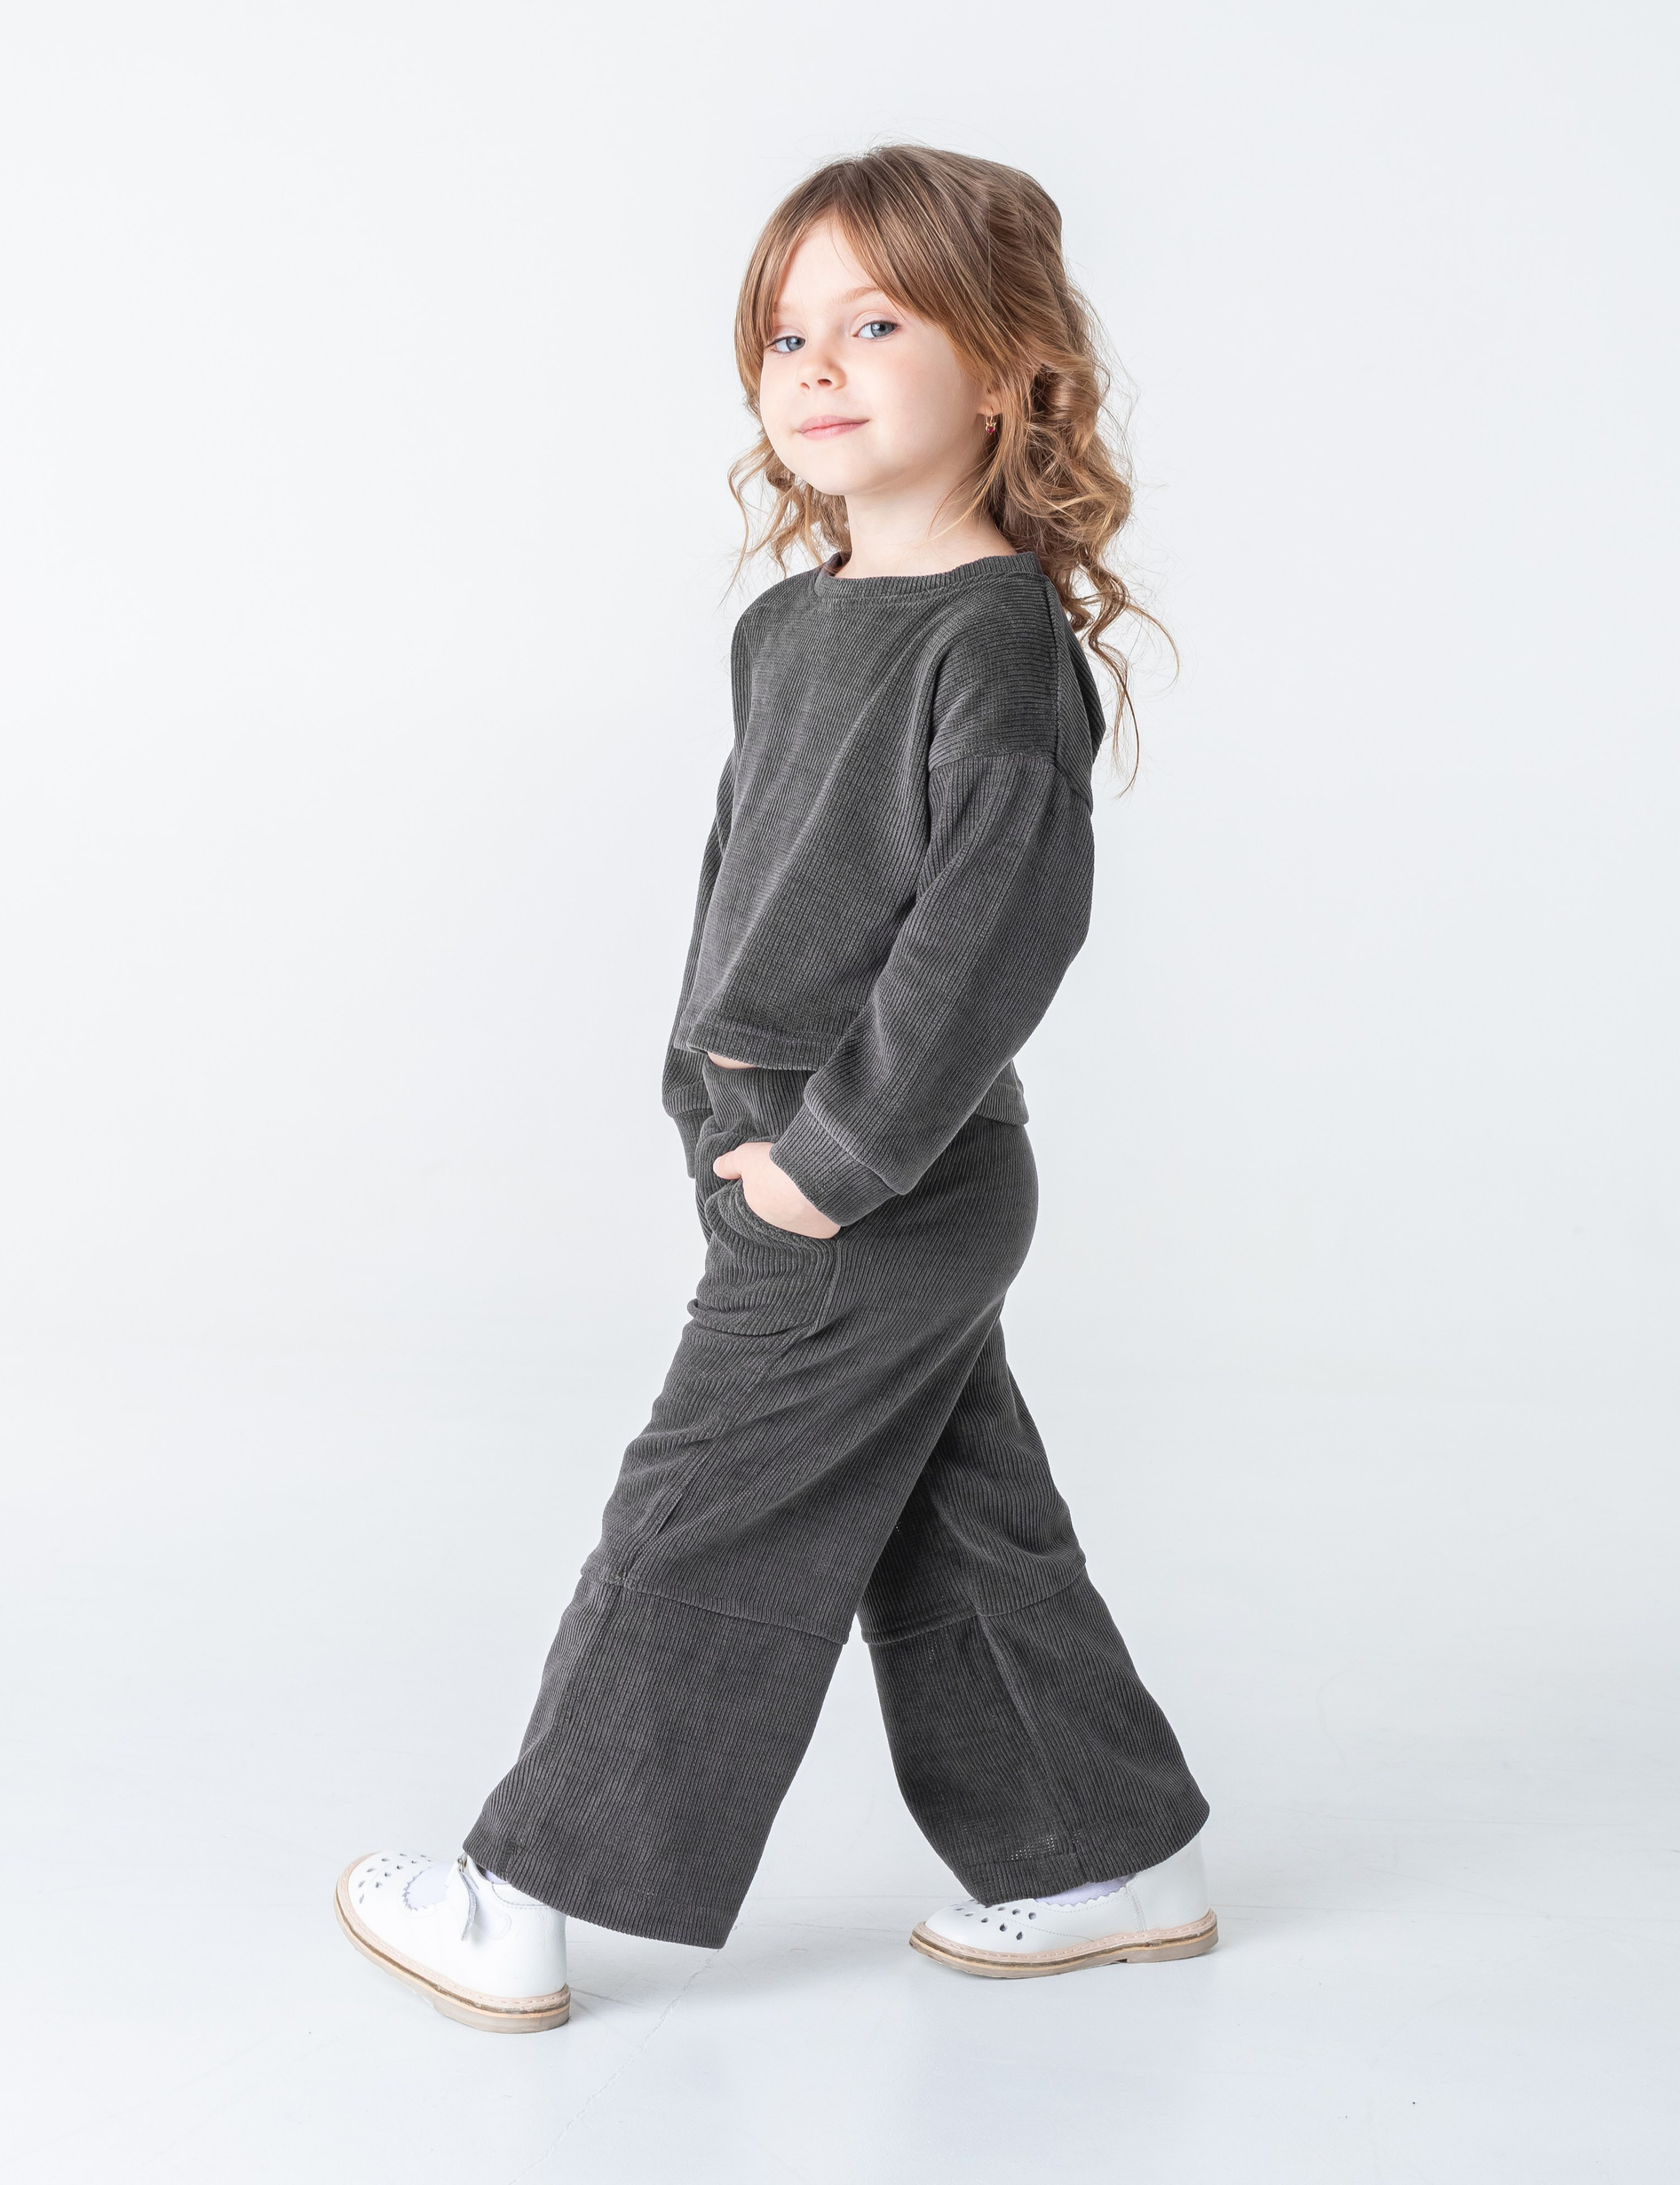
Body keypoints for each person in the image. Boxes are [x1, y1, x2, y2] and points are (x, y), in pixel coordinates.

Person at [335, 145, 1213, 2032]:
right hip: (781, 1149)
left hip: (877, 1166)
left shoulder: (992, 639)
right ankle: (1108, 1854)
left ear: (1011, 367)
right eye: (787, 331)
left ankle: (522, 1891)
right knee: (959, 1517)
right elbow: (749, 882)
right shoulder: (793, 622)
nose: (816, 364)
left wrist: (834, 1158)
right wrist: (707, 1103)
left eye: (876, 323)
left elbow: (997, 926)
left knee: (698, 1514)